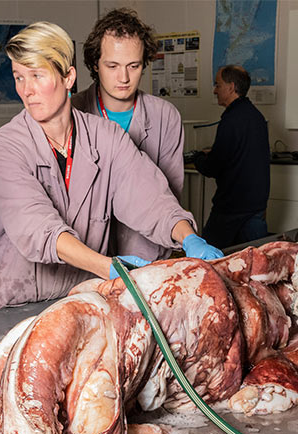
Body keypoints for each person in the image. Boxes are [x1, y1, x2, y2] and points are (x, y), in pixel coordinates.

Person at [0, 21, 221, 314]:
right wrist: (109, 267)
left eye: (37, 75)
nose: (27, 90)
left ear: (69, 77)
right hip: (19, 300)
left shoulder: (106, 137)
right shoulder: (4, 146)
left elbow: (148, 196)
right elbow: (38, 229)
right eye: (19, 77)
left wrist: (187, 236)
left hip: (82, 296)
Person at [73, 8, 184, 261]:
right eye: (112, 66)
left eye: (133, 66)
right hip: (87, 254)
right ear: (94, 64)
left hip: (146, 250)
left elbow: (170, 193)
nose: (123, 77)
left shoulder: (165, 117)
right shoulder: (73, 112)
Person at [193, 65, 270, 249]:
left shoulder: (231, 120)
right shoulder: (256, 116)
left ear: (231, 87)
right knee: (256, 258)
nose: (215, 90)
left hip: (232, 207)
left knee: (207, 257)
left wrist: (197, 159)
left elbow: (213, 167)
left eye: (218, 85)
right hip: (256, 205)